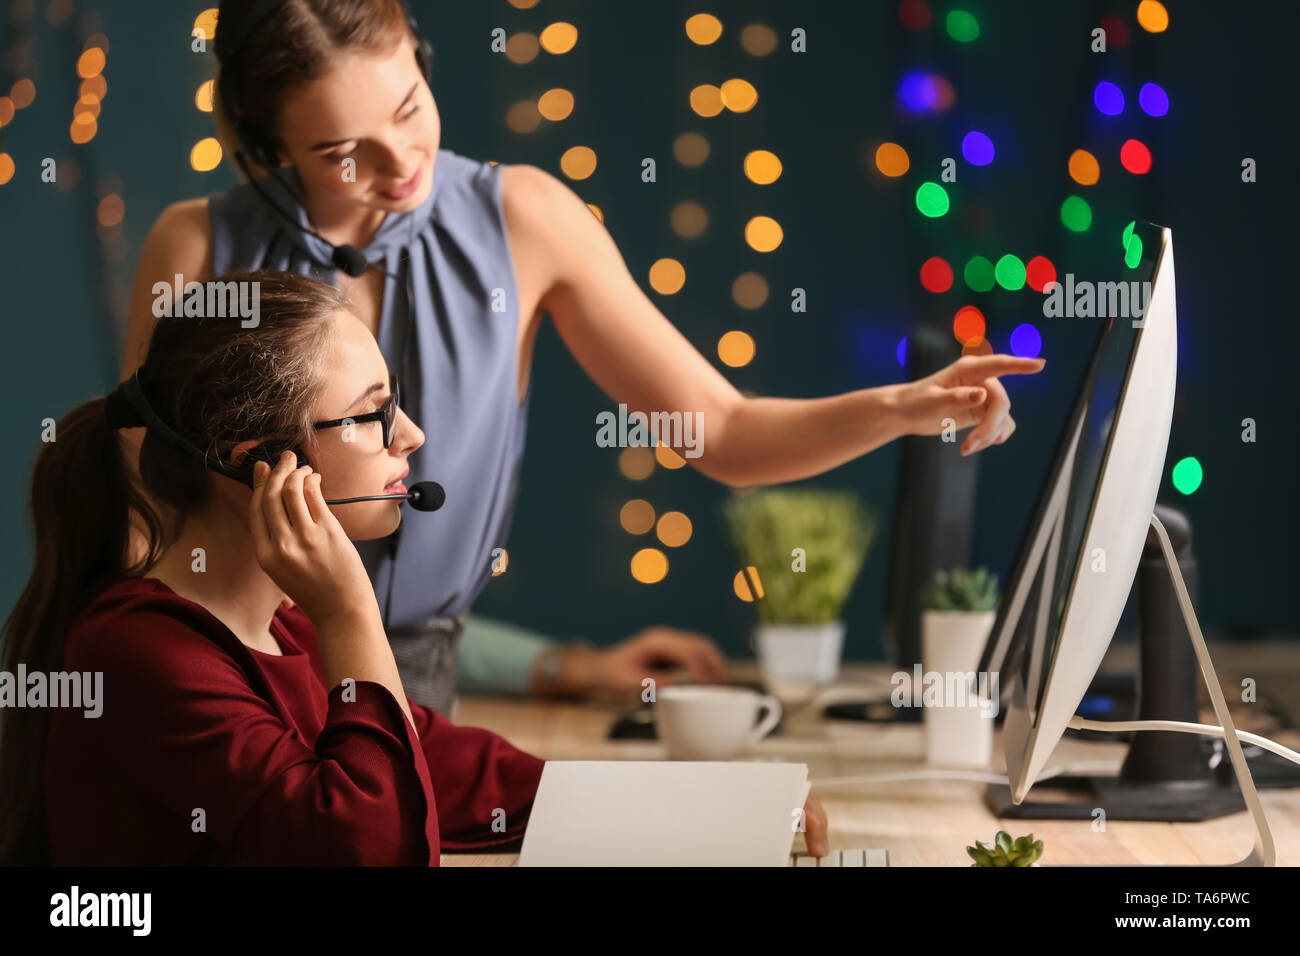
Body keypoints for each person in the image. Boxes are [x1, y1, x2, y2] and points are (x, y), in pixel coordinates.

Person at [123, 0, 1044, 716]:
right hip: (234, 681)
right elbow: (141, 519)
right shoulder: (195, 248)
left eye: (410, 108)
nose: (400, 162)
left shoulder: (524, 220)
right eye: (340, 153)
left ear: (426, 66)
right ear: (263, 148)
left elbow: (719, 430)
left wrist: (903, 408)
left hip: (426, 688)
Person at [0, 269, 832, 864]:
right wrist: (352, 612)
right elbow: (371, 848)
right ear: (261, 464)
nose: (411, 436)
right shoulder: (146, 655)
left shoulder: (275, 627)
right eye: (371, 415)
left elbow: (437, 762)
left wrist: (714, 807)